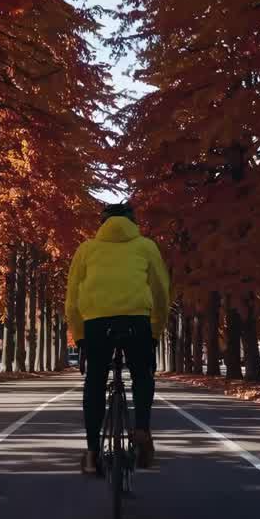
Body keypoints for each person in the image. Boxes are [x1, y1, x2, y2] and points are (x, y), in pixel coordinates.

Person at [65, 202, 169, 475]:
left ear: (102, 223)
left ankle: (91, 453)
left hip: (97, 323)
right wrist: (155, 332)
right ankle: (142, 431)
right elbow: (161, 294)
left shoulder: (86, 249)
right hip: (136, 321)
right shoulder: (146, 246)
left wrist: (80, 337)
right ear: (133, 222)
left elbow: (72, 300)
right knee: (142, 374)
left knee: (95, 380)